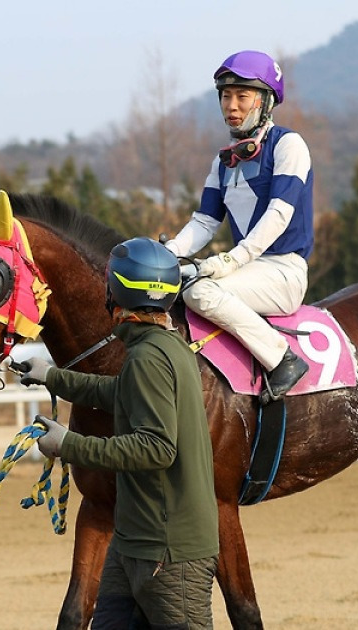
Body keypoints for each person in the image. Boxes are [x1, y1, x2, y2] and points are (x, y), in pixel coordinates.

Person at [19, 237, 219, 629]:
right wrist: (52, 377)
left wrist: (70, 445)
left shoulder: (148, 357)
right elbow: (118, 393)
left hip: (169, 555)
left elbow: (157, 448)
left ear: (119, 292)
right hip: (132, 544)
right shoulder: (164, 346)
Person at [164, 49, 313, 406]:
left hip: (283, 271)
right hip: (248, 269)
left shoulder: (289, 145)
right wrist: (166, 254)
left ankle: (282, 360)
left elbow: (279, 214)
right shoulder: (224, 160)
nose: (231, 106)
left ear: (264, 102)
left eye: (242, 96)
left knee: (198, 293)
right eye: (226, 96)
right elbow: (204, 220)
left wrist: (230, 261)